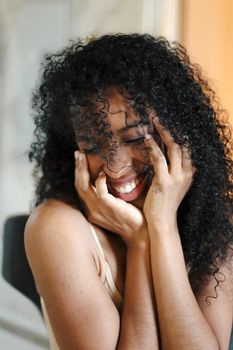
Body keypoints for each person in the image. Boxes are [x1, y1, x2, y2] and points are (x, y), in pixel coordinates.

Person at [24, 33, 233, 350]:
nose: (114, 167)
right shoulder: (57, 228)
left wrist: (161, 225)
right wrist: (139, 243)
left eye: (136, 138)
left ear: (178, 133)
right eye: (94, 146)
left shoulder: (215, 221)